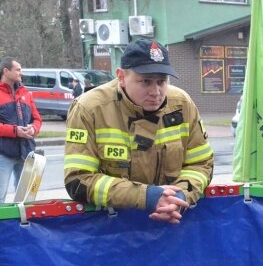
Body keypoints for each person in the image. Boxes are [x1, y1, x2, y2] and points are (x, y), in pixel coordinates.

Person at [64, 39, 213, 224]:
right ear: (121, 77)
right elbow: (78, 181)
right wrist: (147, 197)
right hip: (110, 229)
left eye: (161, 81)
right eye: (145, 82)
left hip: (172, 222)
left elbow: (201, 164)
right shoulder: (89, 108)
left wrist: (181, 196)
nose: (156, 91)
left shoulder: (182, 104)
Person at [0, 57, 42, 203]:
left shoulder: (25, 93)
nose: (21, 73)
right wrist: (14, 131)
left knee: (25, 199)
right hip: (3, 154)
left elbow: (37, 119)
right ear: (6, 71)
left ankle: (20, 225)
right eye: (18, 69)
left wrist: (33, 129)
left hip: (26, 153)